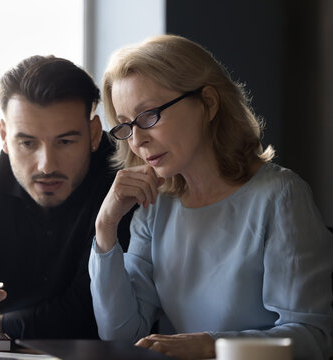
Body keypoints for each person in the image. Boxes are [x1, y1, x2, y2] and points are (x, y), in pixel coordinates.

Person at [89, 34, 333, 360]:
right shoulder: (156, 204)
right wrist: (105, 226)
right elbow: (121, 334)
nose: (138, 141)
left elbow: (312, 339)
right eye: (126, 126)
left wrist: (210, 346)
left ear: (208, 103)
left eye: (148, 115)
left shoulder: (280, 196)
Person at [0, 55, 133, 339]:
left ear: (93, 134)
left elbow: (96, 311)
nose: (46, 165)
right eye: (27, 143)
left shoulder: (124, 180)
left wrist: (3, 325)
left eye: (65, 141)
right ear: (4, 135)